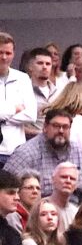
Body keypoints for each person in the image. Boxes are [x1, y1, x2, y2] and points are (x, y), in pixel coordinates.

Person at [3, 108, 82, 193]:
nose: (61, 131)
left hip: (77, 203)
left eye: (65, 127)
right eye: (56, 126)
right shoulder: (26, 153)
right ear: (45, 127)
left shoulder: (79, 151)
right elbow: (5, 188)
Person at [0, 32, 37, 164]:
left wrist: (2, 118)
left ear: (13, 54)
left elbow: (31, 115)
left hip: (16, 150)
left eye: (8, 53)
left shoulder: (22, 78)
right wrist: (14, 109)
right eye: (0, 52)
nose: (4, 57)